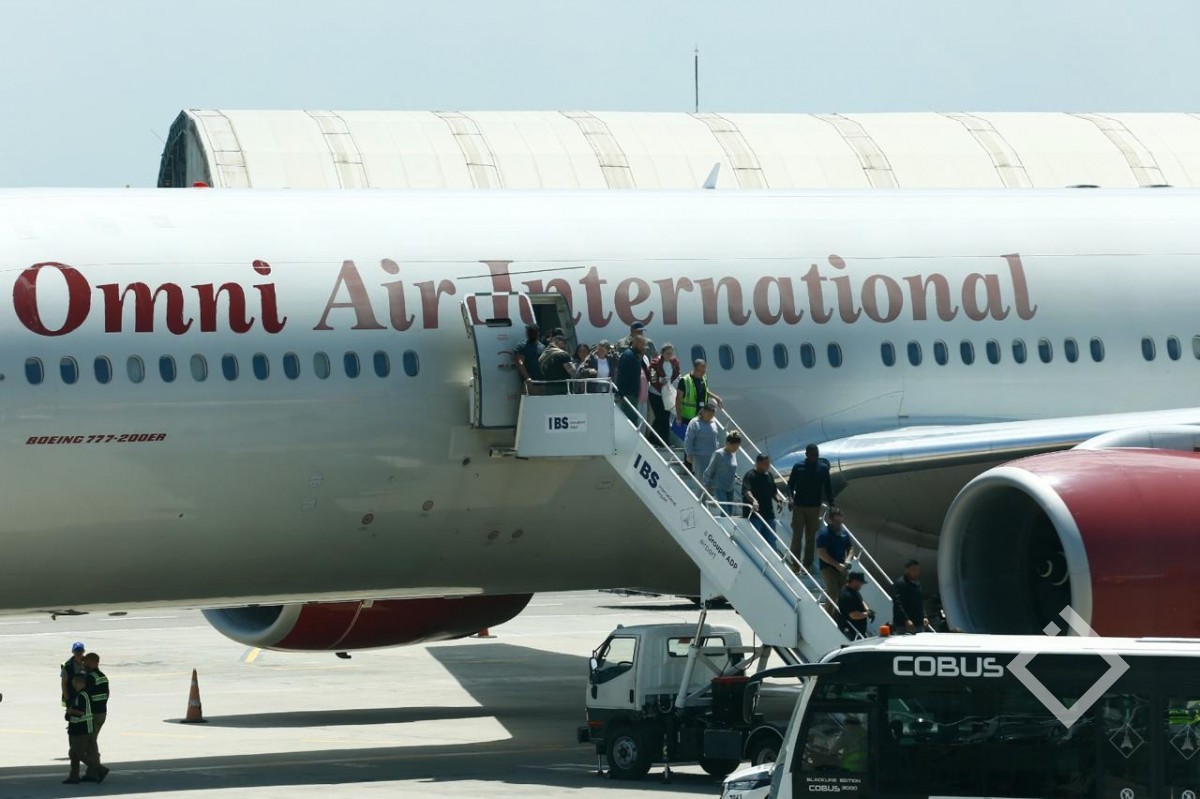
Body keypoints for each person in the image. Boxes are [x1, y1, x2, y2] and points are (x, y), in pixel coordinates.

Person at [786, 444, 836, 573]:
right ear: (806, 454)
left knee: (810, 537)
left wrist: (832, 504)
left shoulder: (823, 468)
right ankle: (795, 563)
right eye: (812, 454)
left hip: (814, 507)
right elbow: (790, 484)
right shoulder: (798, 467)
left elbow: (828, 487)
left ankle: (807, 564)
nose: (815, 457)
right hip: (799, 506)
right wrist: (790, 498)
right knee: (797, 536)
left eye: (816, 454)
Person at [64, 672, 107, 784]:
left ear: (78, 683)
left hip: (82, 729)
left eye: (74, 681)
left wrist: (71, 711)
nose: (72, 683)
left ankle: (99, 769)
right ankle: (74, 777)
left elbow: (81, 712)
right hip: (80, 728)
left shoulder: (82, 696)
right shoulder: (81, 694)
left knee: (79, 753)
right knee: (73, 753)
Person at [816, 508, 855, 615]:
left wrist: (848, 559)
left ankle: (839, 617)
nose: (839, 524)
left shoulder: (844, 533)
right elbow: (821, 552)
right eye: (837, 522)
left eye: (841, 522)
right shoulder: (824, 533)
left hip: (842, 567)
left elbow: (851, 548)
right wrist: (836, 564)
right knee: (833, 593)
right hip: (828, 567)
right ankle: (827, 616)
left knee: (845, 594)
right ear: (830, 520)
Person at [742, 453, 784, 551]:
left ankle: (773, 559)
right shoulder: (750, 475)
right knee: (756, 541)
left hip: (769, 515)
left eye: (768, 463)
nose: (768, 466)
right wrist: (754, 500)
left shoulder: (769, 475)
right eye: (766, 464)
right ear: (758, 463)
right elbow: (746, 491)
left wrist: (778, 500)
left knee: (771, 540)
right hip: (755, 516)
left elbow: (774, 491)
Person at [647, 343, 681, 446]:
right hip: (656, 393)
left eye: (671, 353)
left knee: (666, 416)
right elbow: (652, 378)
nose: (670, 355)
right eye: (667, 353)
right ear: (662, 353)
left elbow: (676, 373)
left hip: (667, 393)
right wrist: (660, 380)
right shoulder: (655, 363)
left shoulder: (674, 362)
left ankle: (662, 440)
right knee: (660, 417)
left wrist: (674, 380)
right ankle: (655, 439)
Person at [702, 432, 742, 513]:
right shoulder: (718, 454)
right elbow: (708, 472)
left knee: (730, 513)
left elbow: (730, 468)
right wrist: (708, 491)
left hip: (730, 488)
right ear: (728, 444)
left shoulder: (733, 454)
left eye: (737, 448)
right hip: (719, 488)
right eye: (734, 447)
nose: (735, 450)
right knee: (725, 512)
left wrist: (737, 478)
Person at [675, 359, 722, 426]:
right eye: (700, 371)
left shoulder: (704, 378)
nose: (702, 373)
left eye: (704, 371)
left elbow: (705, 392)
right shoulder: (685, 380)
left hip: (701, 417)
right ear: (695, 369)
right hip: (687, 418)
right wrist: (679, 416)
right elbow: (678, 399)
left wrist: (716, 398)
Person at [615, 335, 650, 425]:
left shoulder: (635, 356)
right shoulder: (628, 356)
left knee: (633, 418)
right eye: (642, 345)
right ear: (636, 343)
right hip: (628, 394)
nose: (643, 347)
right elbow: (621, 375)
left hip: (633, 394)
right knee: (632, 420)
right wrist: (623, 393)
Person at [891, 559, 930, 634]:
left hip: (918, 623)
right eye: (914, 569)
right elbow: (898, 604)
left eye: (918, 570)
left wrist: (924, 616)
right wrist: (906, 619)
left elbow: (920, 602)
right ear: (907, 570)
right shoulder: (900, 584)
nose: (916, 572)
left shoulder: (917, 584)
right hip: (904, 625)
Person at [683, 401, 720, 475]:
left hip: (712, 456)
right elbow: (688, 440)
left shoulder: (713, 423)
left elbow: (716, 438)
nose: (710, 417)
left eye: (712, 415)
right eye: (709, 415)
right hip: (699, 457)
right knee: (701, 478)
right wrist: (689, 454)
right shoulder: (694, 423)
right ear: (703, 412)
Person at [83, 653, 110, 753]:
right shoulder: (103, 676)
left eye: (86, 662)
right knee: (91, 739)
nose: (84, 664)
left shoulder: (90, 677)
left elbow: (85, 695)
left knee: (89, 741)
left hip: (93, 714)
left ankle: (94, 760)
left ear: (92, 662)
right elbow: (107, 693)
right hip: (102, 712)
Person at [838, 570, 873, 639]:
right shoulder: (846, 595)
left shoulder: (854, 591)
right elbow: (853, 615)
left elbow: (862, 601)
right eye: (861, 583)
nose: (862, 585)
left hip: (859, 631)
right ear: (855, 581)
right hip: (852, 632)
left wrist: (868, 610)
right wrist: (867, 614)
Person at [513, 323, 545, 393]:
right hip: (529, 383)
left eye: (532, 332)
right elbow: (520, 363)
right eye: (528, 332)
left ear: (537, 333)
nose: (530, 334)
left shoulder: (542, 347)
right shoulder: (522, 346)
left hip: (541, 382)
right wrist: (527, 378)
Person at [61, 641, 86, 707]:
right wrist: (67, 700)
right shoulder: (67, 666)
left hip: (85, 697)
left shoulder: (88, 663)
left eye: (80, 650)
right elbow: (64, 684)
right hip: (72, 696)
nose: (78, 653)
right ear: (73, 651)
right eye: (76, 650)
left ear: (83, 651)